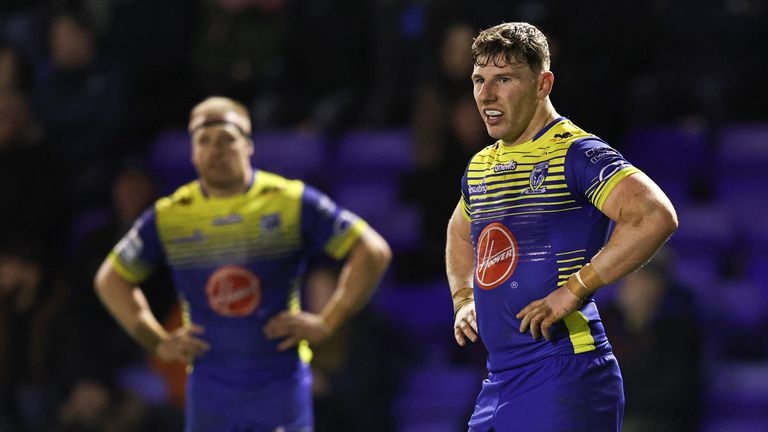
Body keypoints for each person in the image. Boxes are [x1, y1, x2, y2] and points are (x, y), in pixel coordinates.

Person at [94, 96, 392, 431]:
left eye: (226, 139)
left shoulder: (289, 200)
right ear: (192, 152)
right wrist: (157, 340)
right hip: (209, 393)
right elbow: (111, 279)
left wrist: (328, 321)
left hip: (279, 386)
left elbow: (373, 251)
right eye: (204, 141)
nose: (215, 150)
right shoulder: (171, 215)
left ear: (248, 145)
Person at [445, 22, 678, 431]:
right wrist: (464, 297)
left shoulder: (577, 152)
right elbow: (460, 232)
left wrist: (575, 289)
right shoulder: (482, 164)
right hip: (500, 379)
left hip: (566, 374)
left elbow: (654, 216)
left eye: (504, 79)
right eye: (479, 80)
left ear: (542, 84)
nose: (486, 95)